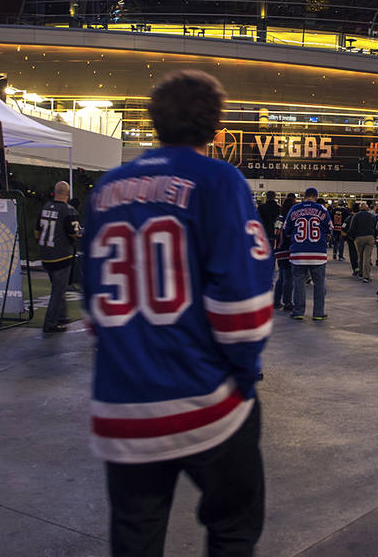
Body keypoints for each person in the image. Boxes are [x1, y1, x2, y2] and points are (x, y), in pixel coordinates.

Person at [83, 70, 272, 556]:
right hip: (201, 398)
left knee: (134, 535)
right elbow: (243, 307)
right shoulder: (218, 179)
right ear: (216, 126)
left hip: (120, 402)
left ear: (154, 123)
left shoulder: (106, 188)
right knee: (233, 526)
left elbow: (92, 310)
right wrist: (244, 378)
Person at [37, 180, 82, 333]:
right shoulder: (69, 211)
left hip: (46, 254)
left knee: (58, 288)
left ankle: (62, 316)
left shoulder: (45, 207)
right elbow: (74, 234)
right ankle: (50, 323)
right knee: (58, 290)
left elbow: (37, 231)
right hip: (61, 256)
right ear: (68, 194)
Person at [285, 187, 331, 320]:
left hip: (298, 253)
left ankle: (298, 311)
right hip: (318, 254)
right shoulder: (322, 209)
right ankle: (318, 313)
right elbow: (329, 230)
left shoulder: (294, 209)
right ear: (316, 196)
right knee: (319, 284)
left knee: (298, 283)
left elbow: (287, 230)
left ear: (304, 196)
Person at [272, 194, 296, 311]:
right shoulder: (289, 219)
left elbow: (276, 232)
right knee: (288, 277)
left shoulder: (279, 218)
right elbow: (289, 234)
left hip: (278, 249)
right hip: (287, 250)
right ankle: (287, 302)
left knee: (281, 277)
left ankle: (276, 301)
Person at [348, 201, 377, 283]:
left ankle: (360, 274)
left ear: (360, 208)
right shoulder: (372, 216)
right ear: (367, 208)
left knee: (360, 257)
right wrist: (374, 236)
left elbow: (352, 228)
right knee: (367, 258)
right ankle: (366, 276)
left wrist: (353, 238)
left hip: (359, 238)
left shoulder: (355, 216)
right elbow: (376, 227)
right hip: (369, 237)